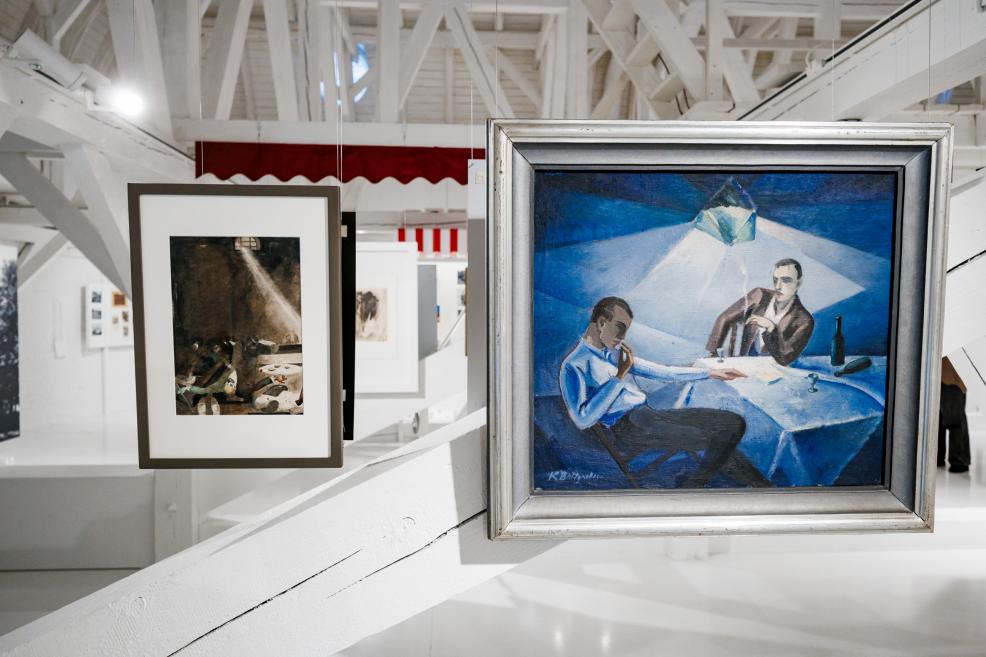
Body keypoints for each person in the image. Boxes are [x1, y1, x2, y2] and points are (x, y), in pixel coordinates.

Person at [560, 297, 769, 488]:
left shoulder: (614, 353)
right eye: (620, 328)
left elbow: (663, 372)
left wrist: (710, 373)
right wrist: (619, 377)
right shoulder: (574, 365)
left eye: (626, 330)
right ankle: (718, 486)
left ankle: (706, 483)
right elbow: (582, 420)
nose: (622, 337)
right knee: (717, 438)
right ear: (601, 323)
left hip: (648, 415)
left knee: (734, 423)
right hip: (628, 429)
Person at [706, 258, 814, 367]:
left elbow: (785, 358)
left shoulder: (804, 320)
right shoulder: (760, 295)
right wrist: (713, 353)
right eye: (775, 280)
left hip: (773, 369)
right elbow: (725, 318)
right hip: (740, 363)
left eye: (786, 280)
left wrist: (771, 328)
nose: (778, 286)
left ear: (799, 283)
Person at [939, 357, 971, 473]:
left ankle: (959, 460)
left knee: (955, 420)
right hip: (941, 375)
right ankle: (939, 457)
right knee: (939, 420)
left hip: (953, 378)